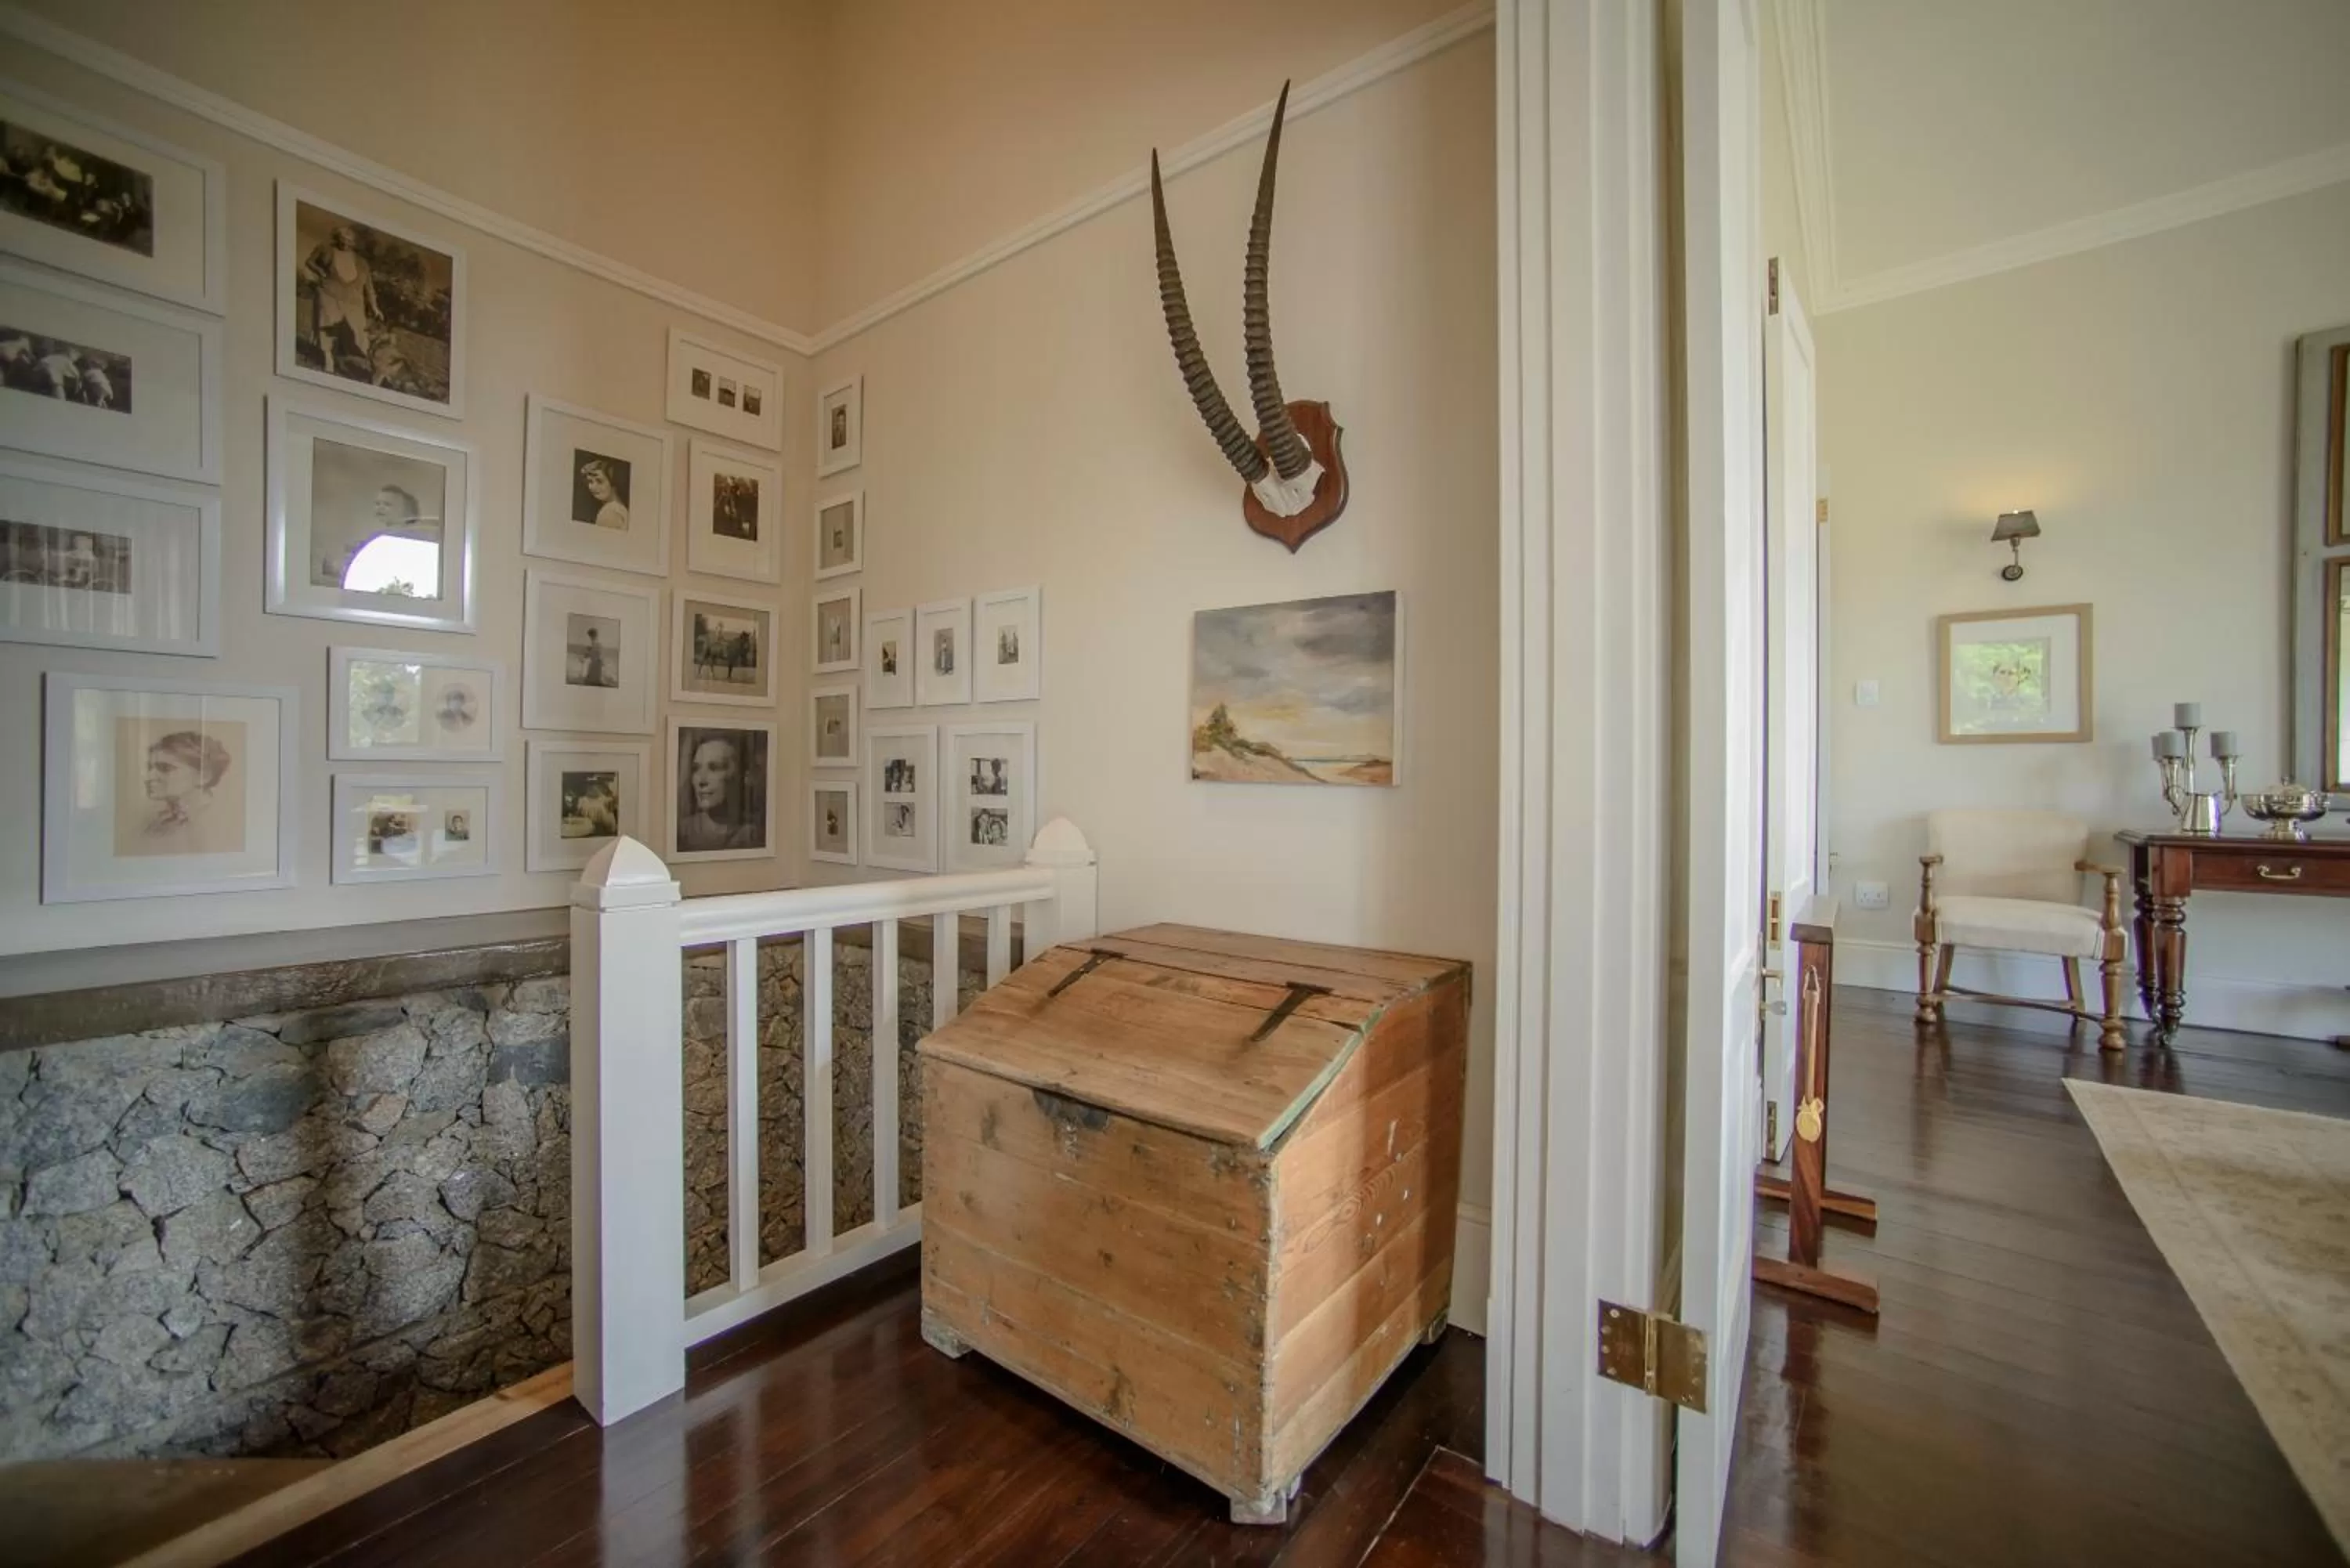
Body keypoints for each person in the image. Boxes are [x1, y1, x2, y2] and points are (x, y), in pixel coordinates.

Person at [301, 222, 379, 378]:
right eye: (342, 239)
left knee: (356, 332)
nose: (345, 243)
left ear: (354, 243)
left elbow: (369, 287)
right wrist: (320, 272)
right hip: (329, 294)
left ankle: (353, 360)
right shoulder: (326, 249)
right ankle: (328, 358)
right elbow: (310, 262)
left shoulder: (362, 262)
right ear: (337, 239)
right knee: (326, 325)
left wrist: (375, 307)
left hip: (353, 302)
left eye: (349, 241)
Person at [141, 729, 230, 844]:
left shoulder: (221, 822)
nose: (149, 777)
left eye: (165, 768)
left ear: (204, 776)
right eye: (149, 768)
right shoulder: (157, 824)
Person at [677, 734, 760, 851]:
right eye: (696, 768)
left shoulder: (754, 835)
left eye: (715, 768)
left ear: (744, 776)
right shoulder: (681, 833)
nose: (702, 780)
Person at [580, 458, 628, 529]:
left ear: (613, 482)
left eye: (600, 481)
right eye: (590, 481)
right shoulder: (619, 508)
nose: (593, 487)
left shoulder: (609, 512)